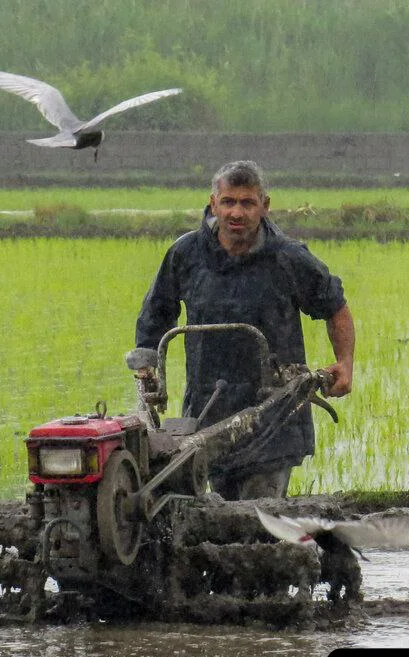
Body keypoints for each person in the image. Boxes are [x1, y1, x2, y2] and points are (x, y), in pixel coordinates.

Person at [135, 160, 355, 499]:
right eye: (229, 202)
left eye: (247, 203)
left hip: (274, 411)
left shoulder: (288, 257)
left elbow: (335, 307)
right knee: (208, 511)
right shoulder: (186, 254)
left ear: (265, 206)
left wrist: (345, 363)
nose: (237, 213)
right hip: (208, 408)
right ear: (213, 203)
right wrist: (147, 366)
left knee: (259, 516)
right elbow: (156, 311)